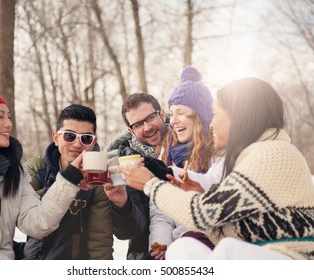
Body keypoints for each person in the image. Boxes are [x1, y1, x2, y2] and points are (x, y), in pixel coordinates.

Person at [121, 78, 314, 260]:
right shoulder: (258, 151)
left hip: (297, 258)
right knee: (187, 249)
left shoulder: (269, 154)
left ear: (239, 116)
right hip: (274, 253)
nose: (211, 123)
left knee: (225, 251)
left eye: (215, 114)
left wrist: (151, 183)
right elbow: (228, 222)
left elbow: (203, 213)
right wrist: (200, 195)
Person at [0, 88, 91, 259]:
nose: (8, 124)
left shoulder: (15, 171)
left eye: (9, 117)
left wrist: (68, 179)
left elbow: (37, 223)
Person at [149, 66, 223, 260]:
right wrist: (161, 243)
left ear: (200, 116)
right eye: (171, 114)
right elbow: (161, 213)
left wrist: (168, 172)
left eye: (180, 112)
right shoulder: (167, 154)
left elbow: (215, 192)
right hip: (175, 249)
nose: (173, 121)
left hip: (208, 248)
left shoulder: (219, 153)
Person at [23, 104, 113, 260]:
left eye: (86, 138)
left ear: (93, 142)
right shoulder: (36, 168)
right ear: (56, 138)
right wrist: (69, 179)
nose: (77, 144)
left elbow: (100, 241)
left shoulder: (98, 179)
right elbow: (28, 216)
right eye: (69, 136)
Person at [104, 92, 169, 260]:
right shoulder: (124, 163)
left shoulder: (191, 145)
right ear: (131, 131)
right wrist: (122, 204)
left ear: (162, 114)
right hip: (147, 256)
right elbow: (128, 231)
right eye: (138, 124)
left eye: (150, 118)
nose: (147, 127)